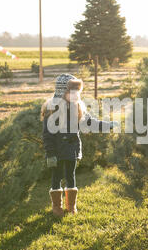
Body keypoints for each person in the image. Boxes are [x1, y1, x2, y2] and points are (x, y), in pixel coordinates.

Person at [41, 74, 118, 217]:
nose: (76, 94)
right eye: (72, 91)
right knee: (56, 176)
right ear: (62, 92)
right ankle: (57, 206)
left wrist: (108, 126)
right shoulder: (51, 110)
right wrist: (50, 154)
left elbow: (91, 123)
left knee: (71, 175)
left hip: (71, 149)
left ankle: (71, 206)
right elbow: (47, 135)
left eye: (77, 91)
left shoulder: (78, 107)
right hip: (57, 151)